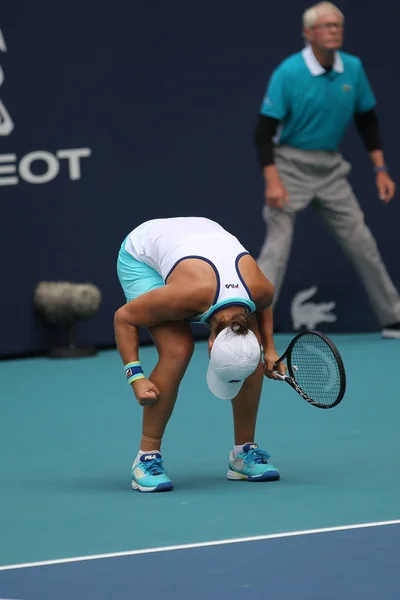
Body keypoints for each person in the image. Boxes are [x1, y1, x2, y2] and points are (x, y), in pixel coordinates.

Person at [254, 1, 400, 339]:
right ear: (308, 33)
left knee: (363, 243)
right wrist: (272, 181)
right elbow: (262, 133)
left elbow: (367, 120)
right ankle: (254, 324)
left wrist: (381, 169)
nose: (335, 30)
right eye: (327, 25)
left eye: (338, 25)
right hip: (289, 166)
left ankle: (393, 317)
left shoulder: (354, 68)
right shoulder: (288, 72)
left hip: (331, 169)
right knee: (276, 248)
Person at [114, 216, 286, 492]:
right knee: (177, 350)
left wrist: (269, 351)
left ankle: (243, 454)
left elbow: (264, 304)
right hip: (143, 253)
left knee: (249, 352)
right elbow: (124, 318)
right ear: (211, 344)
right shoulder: (184, 297)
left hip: (202, 236)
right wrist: (135, 376)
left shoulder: (261, 291)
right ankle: (145, 458)